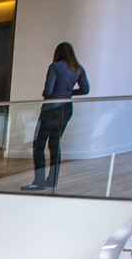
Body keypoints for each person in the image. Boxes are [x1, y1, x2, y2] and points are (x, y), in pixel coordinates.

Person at [25, 42, 90, 191]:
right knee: (54, 145)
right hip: (66, 109)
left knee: (38, 145)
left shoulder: (55, 67)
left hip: (51, 109)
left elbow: (48, 91)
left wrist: (56, 94)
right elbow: (85, 89)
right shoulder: (78, 68)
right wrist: (68, 93)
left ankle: (38, 181)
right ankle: (52, 180)